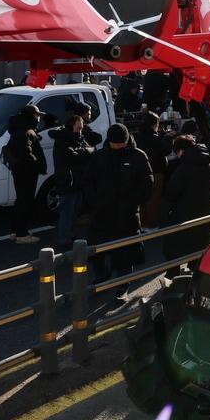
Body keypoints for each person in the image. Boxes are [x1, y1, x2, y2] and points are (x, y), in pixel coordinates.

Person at [83, 123, 153, 295]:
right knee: (96, 252)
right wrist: (95, 201)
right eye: (114, 143)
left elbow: (147, 184)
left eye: (120, 143)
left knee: (126, 253)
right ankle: (101, 277)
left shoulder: (138, 156)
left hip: (127, 215)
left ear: (127, 140)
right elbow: (87, 181)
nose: (117, 146)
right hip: (102, 213)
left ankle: (122, 285)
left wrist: (133, 203)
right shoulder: (98, 156)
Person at [49, 104, 100, 251]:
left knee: (75, 210)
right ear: (72, 126)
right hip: (67, 180)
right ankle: (64, 238)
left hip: (77, 180)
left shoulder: (77, 137)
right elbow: (74, 156)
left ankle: (69, 235)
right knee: (67, 211)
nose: (81, 130)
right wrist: (88, 150)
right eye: (79, 127)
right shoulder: (64, 140)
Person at [163, 134, 210, 266]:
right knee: (201, 246)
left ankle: (174, 273)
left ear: (181, 150)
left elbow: (171, 192)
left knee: (175, 246)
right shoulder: (209, 161)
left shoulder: (184, 168)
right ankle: (196, 268)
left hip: (185, 213)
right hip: (206, 209)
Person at [2, 104, 46, 244]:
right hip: (27, 172)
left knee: (20, 200)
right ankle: (22, 234)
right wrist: (37, 164)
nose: (38, 119)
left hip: (19, 171)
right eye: (37, 116)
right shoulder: (25, 131)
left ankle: (15, 231)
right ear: (31, 116)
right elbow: (26, 154)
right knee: (25, 201)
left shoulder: (18, 128)